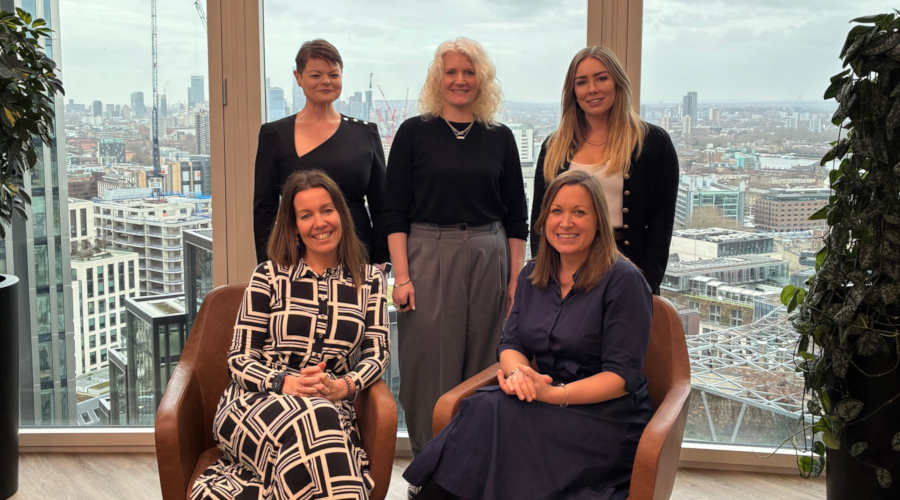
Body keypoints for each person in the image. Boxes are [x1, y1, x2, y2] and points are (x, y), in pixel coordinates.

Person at [403, 170, 653, 500]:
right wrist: (520, 374)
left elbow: (621, 377)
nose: (566, 222)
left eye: (580, 212)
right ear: (544, 218)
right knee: (486, 408)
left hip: (603, 418)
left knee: (491, 410)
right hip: (543, 399)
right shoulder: (532, 274)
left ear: (598, 222)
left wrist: (554, 395)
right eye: (557, 211)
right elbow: (512, 343)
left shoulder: (624, 280)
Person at [192, 170, 390, 500]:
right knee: (319, 436)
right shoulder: (268, 276)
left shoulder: (369, 280)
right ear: (294, 226)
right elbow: (238, 360)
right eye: (306, 215)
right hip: (253, 403)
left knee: (317, 423)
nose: (320, 223)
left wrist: (344, 385)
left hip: (328, 404)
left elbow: (378, 352)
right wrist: (286, 382)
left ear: (341, 213)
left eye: (327, 210)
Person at [382, 36, 528, 479]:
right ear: (437, 78)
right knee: (428, 363)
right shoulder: (413, 132)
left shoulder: (500, 138)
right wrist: (402, 279)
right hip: (428, 253)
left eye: (469, 72)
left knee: (485, 360)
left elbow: (517, 215)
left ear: (482, 81)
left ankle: (472, 466)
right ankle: (429, 469)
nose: (460, 80)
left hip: (490, 251)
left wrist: (515, 278)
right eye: (451, 72)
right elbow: (393, 211)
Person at [531, 46, 678, 294]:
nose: (592, 89)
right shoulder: (554, 146)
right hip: (563, 271)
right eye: (581, 82)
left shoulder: (652, 142)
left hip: (626, 272)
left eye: (601, 78)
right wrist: (544, 279)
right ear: (573, 92)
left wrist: (647, 284)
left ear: (617, 83)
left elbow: (661, 222)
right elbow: (540, 218)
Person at [254, 39, 389, 267]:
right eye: (316, 75)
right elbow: (264, 210)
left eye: (334, 75)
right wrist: (268, 267)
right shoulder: (274, 134)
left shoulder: (366, 134)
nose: (326, 81)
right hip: (293, 260)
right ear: (298, 78)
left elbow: (382, 207)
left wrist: (381, 262)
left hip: (357, 257)